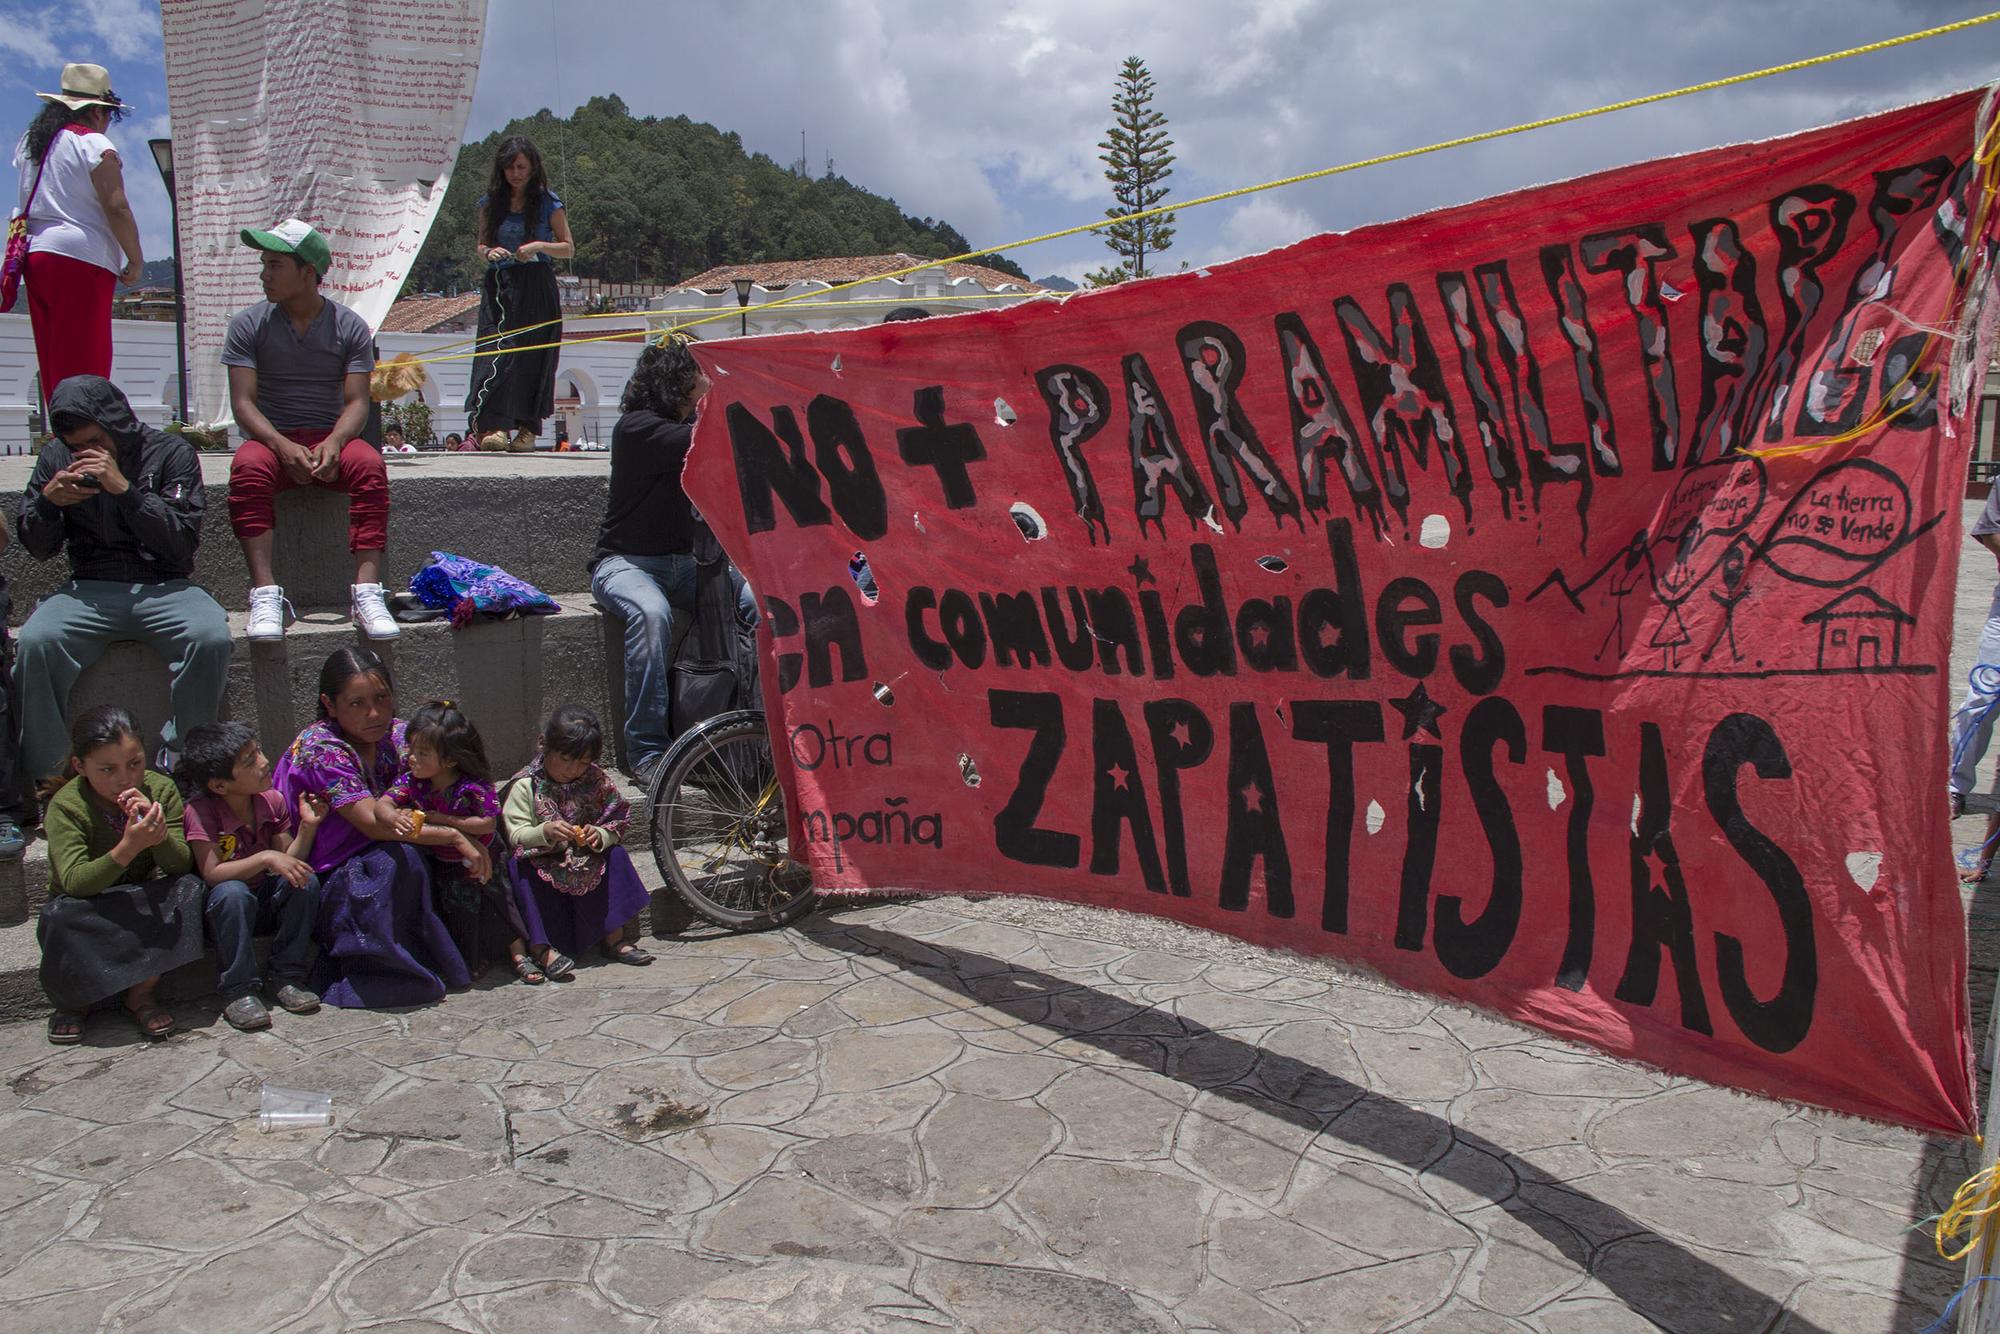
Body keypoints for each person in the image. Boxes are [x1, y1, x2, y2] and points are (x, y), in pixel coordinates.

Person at [15, 376, 229, 787]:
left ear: (117, 423)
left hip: (165, 584)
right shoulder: (57, 456)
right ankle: (48, 776)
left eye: (95, 440)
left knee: (209, 637)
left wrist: (125, 491)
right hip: (89, 586)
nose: (86, 452)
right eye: (77, 446)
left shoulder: (170, 452)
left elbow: (182, 545)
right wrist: (48, 503)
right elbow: (39, 549)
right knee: (36, 642)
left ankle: (189, 759)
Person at [271, 648, 488, 1007]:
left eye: (382, 698)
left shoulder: (400, 735)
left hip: (387, 847)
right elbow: (373, 823)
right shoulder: (321, 749)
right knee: (396, 858)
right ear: (329, 703)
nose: (374, 713)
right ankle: (382, 970)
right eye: (357, 703)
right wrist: (453, 834)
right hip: (328, 872)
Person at [222, 219, 399, 643]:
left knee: (370, 465)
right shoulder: (247, 324)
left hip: (330, 437)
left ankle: (367, 591)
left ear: (308, 273)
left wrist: (336, 442)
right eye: (264, 263)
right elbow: (243, 403)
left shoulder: (350, 327)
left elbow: (357, 401)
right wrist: (281, 446)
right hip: (272, 438)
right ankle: (265, 593)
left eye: (275, 264)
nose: (265, 273)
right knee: (246, 469)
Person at [590, 337, 754, 782]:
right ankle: (646, 748)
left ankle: (755, 725)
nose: (709, 378)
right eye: (702, 370)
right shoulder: (638, 428)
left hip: (692, 565)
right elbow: (718, 439)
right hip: (627, 563)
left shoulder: (690, 427)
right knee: (652, 613)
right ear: (678, 378)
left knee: (760, 602)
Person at [38, 706, 205, 1044]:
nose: (125, 779)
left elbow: (180, 864)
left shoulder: (160, 790)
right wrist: (127, 847)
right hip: (84, 907)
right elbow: (74, 882)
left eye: (134, 764)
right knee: (59, 917)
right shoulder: (67, 806)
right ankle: (76, 1002)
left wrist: (159, 838)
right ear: (80, 767)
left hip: (136, 897)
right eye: (107, 769)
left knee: (189, 889)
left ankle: (141, 994)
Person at [178, 722, 326, 1031]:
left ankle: (287, 974)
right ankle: (238, 990)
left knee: (304, 881)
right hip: (226, 912)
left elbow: (287, 862)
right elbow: (213, 873)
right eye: (250, 760)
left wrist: (309, 827)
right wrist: (264, 857)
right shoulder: (200, 811)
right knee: (232, 892)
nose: (263, 762)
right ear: (220, 785)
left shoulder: (271, 800)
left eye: (257, 751)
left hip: (264, 902)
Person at [378, 699, 536, 981]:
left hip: (488, 856)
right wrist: (393, 818)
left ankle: (520, 955)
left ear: (449, 759)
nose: (412, 758)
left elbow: (486, 822)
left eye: (422, 753)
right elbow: (382, 805)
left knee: (500, 904)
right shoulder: (412, 782)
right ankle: (476, 957)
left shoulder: (472, 787)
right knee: (461, 913)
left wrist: (444, 820)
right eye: (411, 749)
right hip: (447, 864)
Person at [13, 64, 141, 406]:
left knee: (53, 354)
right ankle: (85, 439)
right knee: (87, 356)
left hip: (36, 254)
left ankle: (61, 434)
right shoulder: (93, 144)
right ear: (98, 111)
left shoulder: (32, 144)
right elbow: (117, 206)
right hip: (82, 256)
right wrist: (136, 258)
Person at [502, 705, 652, 971]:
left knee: (615, 855)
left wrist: (601, 835)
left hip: (584, 857)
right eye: (566, 759)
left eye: (582, 762)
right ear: (543, 745)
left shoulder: (596, 779)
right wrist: (544, 832)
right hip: (542, 857)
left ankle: (614, 938)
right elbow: (516, 833)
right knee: (518, 868)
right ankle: (541, 948)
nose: (572, 770)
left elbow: (616, 815)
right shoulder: (526, 785)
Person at [465, 137, 572, 452]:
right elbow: (481, 245)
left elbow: (568, 246)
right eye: (510, 167)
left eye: (521, 166)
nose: (516, 173)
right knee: (498, 351)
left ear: (533, 167)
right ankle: (494, 426)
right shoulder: (490, 203)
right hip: (501, 283)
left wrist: (538, 246)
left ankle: (528, 428)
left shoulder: (548, 203)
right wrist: (489, 252)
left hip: (536, 284)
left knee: (533, 352)